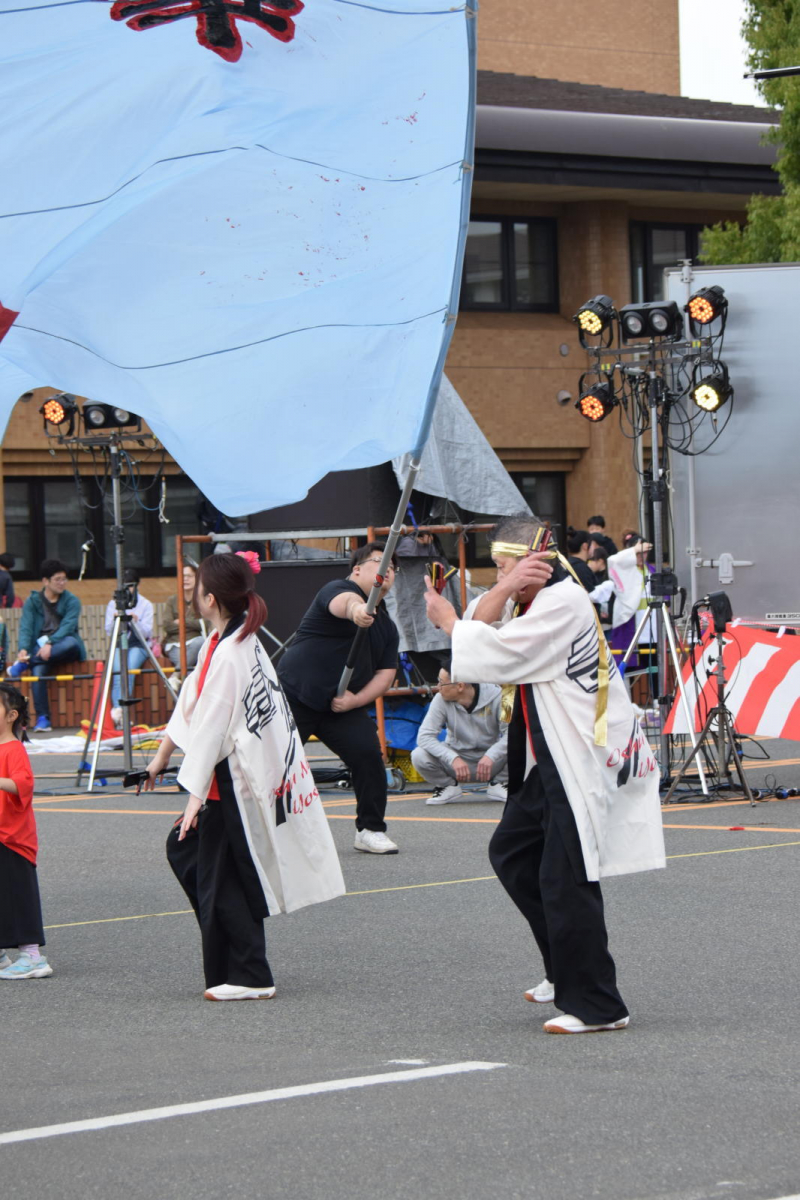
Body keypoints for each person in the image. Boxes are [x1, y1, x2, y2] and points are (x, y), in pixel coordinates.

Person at [424, 513, 665, 1035]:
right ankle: (563, 969)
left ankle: (600, 1005)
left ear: (535, 562)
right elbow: (484, 619)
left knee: (566, 879)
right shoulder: (533, 595)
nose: (499, 576)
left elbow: (496, 653)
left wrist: (448, 621)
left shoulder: (561, 602)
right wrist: (505, 585)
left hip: (578, 756)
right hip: (546, 754)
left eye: (505, 565)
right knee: (512, 854)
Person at [144, 553, 345, 1002]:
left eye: (196, 588)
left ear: (210, 598)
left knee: (214, 872)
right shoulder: (229, 639)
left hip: (232, 783)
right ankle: (241, 969)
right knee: (207, 867)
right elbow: (193, 706)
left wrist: (194, 797)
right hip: (230, 779)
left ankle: (251, 974)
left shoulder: (233, 650)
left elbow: (214, 726)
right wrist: (161, 757)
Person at [277, 542, 400, 855]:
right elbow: (345, 604)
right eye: (379, 562)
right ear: (357, 569)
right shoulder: (338, 589)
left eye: (393, 567)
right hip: (296, 694)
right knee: (274, 762)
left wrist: (355, 701)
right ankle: (257, 828)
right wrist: (358, 611)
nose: (388, 569)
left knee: (369, 756)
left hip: (341, 706)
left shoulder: (387, 626)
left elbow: (385, 674)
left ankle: (370, 829)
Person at [0, 683, 53, 980]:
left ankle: (32, 956)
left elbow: (23, 785)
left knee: (19, 895)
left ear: (11, 715)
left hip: (12, 837)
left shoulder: (14, 749)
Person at [8, 559, 86, 732]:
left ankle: (26, 662)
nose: (62, 583)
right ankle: (43, 718)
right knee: (38, 672)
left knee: (71, 643)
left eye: (64, 579)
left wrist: (50, 642)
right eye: (57, 579)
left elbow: (68, 626)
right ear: (45, 581)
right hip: (41, 651)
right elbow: (26, 627)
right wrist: (23, 649)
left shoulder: (72, 600)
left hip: (62, 646)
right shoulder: (33, 601)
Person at [411, 667, 508, 805]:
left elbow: (512, 734)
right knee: (418, 755)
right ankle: (448, 786)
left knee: (525, 742)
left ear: (460, 686)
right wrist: (452, 758)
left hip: (492, 763)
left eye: (441, 682)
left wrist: (492, 755)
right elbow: (424, 737)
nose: (437, 687)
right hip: (457, 763)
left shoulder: (503, 696)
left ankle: (501, 782)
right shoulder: (440, 699)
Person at [104, 568, 154, 726]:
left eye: (130, 585)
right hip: (120, 644)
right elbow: (109, 631)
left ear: (137, 585)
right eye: (124, 585)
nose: (127, 589)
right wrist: (115, 620)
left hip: (138, 645)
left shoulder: (146, 604)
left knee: (129, 670)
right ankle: (119, 715)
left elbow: (147, 633)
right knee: (119, 674)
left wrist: (135, 620)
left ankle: (120, 714)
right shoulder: (113, 604)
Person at [607, 533, 656, 672]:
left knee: (653, 665)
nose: (642, 556)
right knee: (628, 665)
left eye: (645, 553)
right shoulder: (624, 569)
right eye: (639, 553)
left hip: (650, 625)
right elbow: (613, 560)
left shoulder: (652, 570)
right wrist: (634, 550)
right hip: (629, 621)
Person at [162, 560, 206, 690]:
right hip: (175, 644)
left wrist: (181, 620)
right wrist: (191, 622)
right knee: (189, 672)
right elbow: (167, 626)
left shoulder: (201, 599)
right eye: (182, 576)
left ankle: (175, 675)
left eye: (189, 576)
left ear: (196, 578)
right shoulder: (172, 600)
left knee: (199, 642)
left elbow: (203, 624)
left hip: (197, 643)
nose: (185, 579)